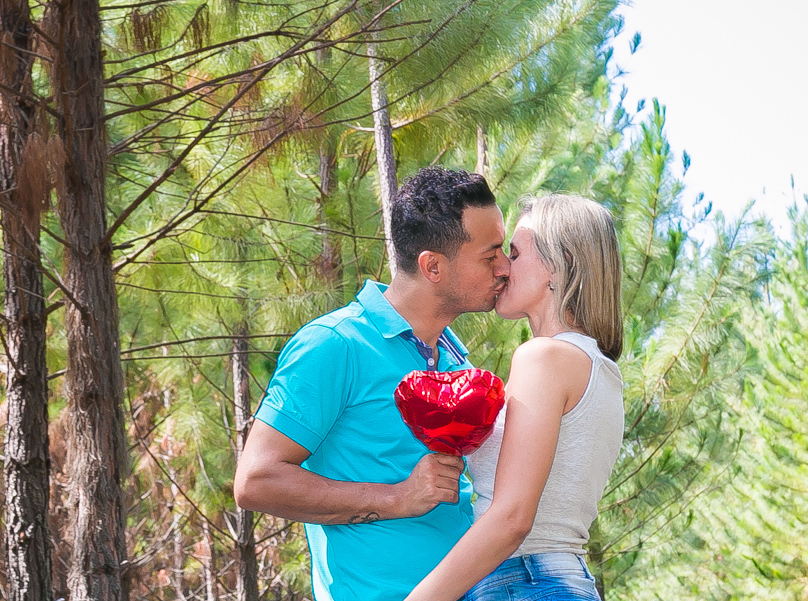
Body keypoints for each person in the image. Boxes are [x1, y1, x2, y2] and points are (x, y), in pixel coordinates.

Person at [233, 166, 511, 601]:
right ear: (433, 266)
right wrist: (398, 497)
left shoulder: (456, 358)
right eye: (489, 255)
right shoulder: (334, 344)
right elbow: (255, 481)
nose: (505, 267)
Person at [404, 194, 624, 601]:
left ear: (560, 265)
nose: (503, 266)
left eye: (517, 254)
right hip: (556, 579)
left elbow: (511, 519)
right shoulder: (598, 367)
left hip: (525, 580)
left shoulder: (543, 358)